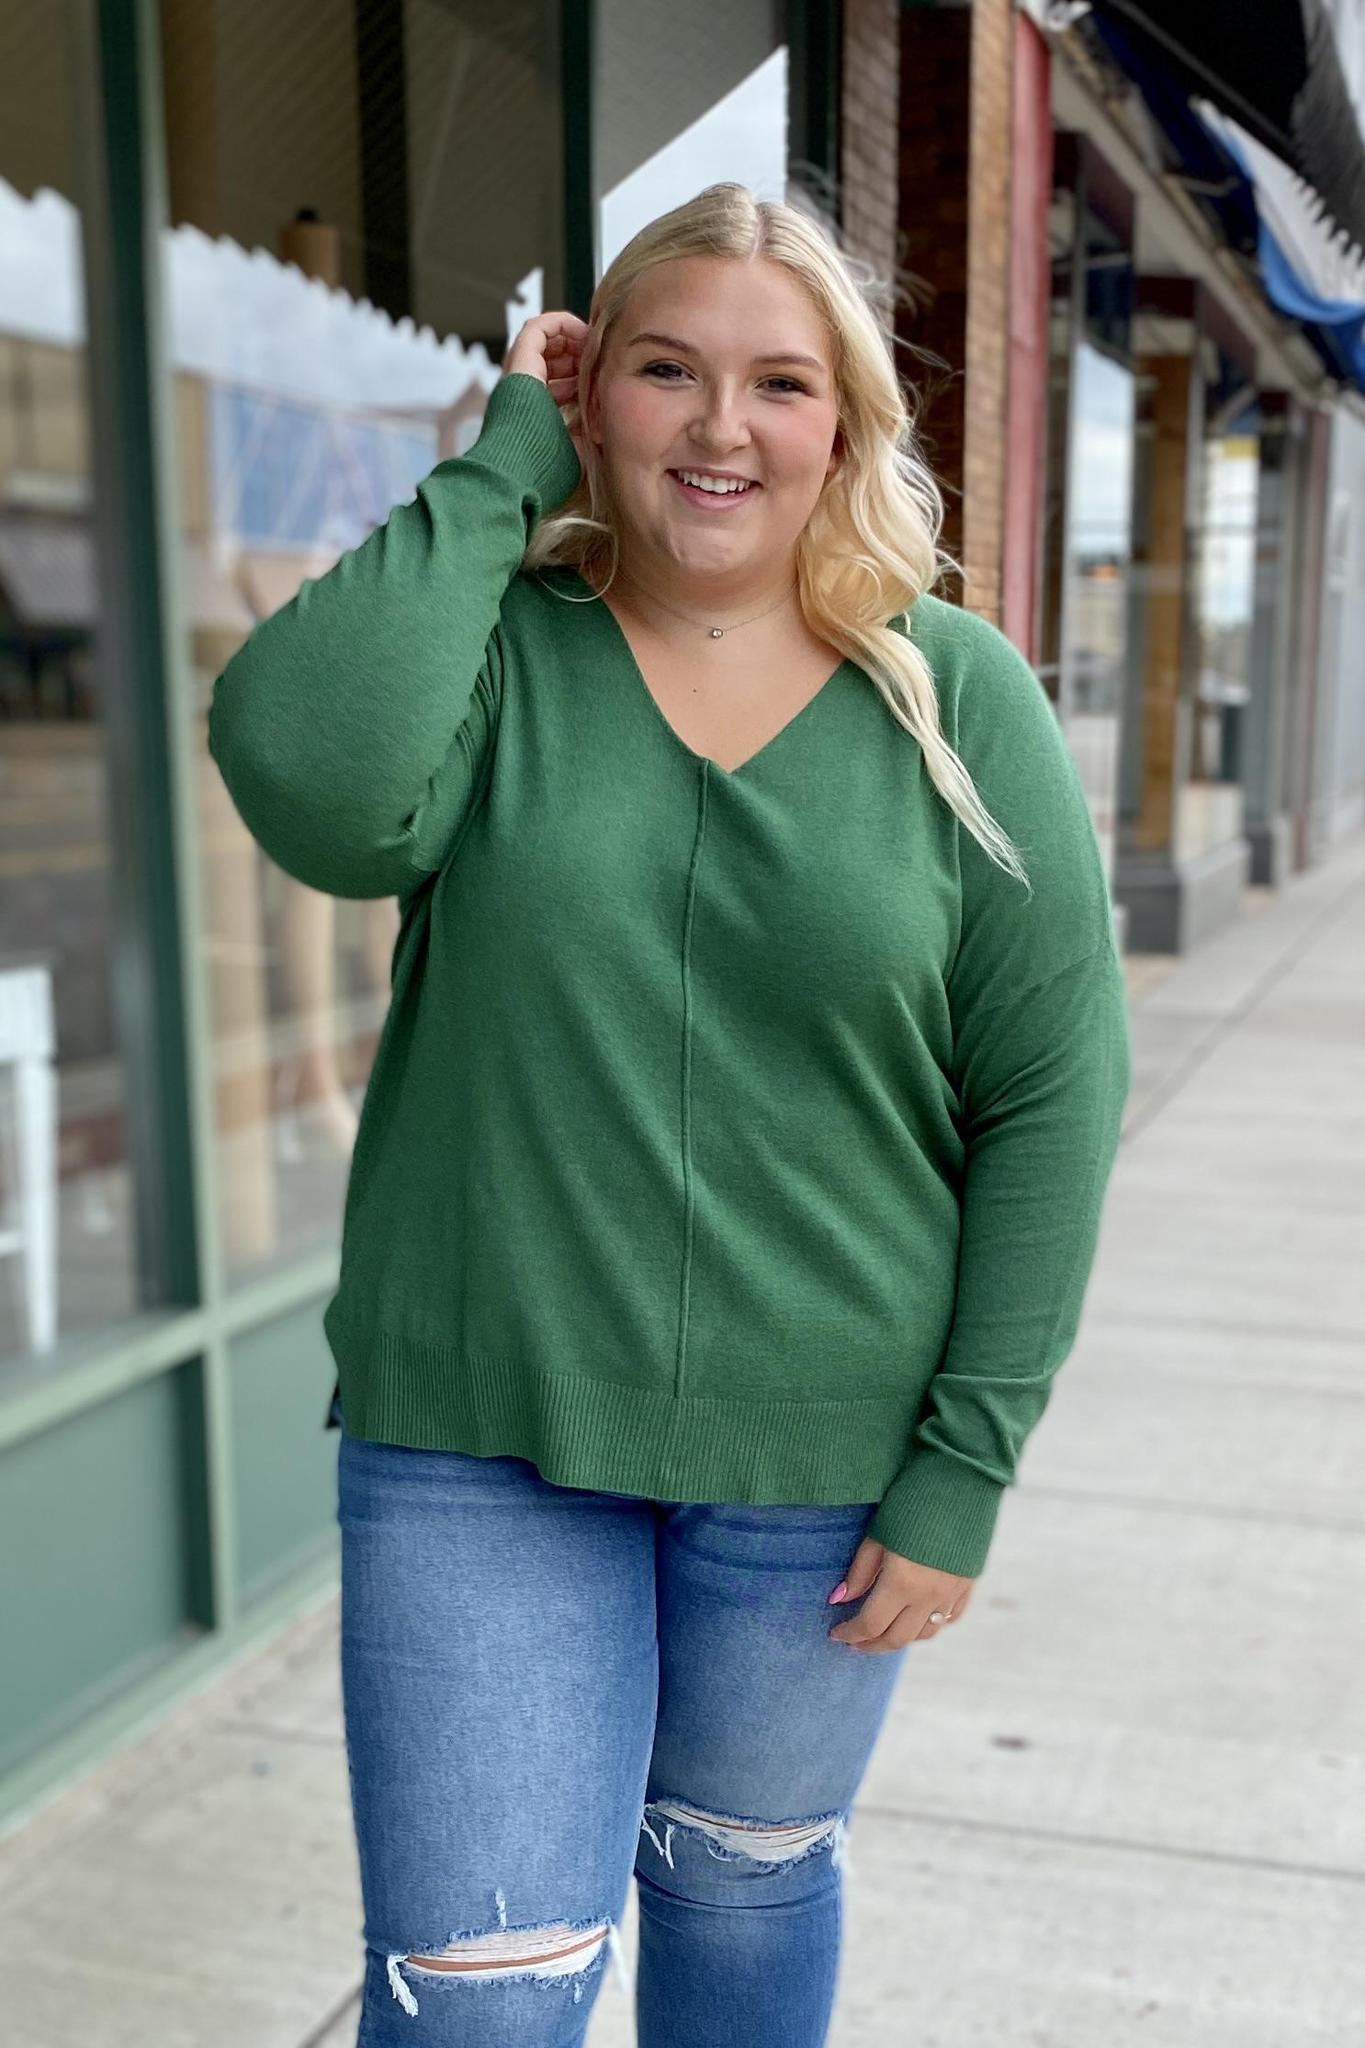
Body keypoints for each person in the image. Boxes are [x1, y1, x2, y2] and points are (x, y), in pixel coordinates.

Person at [207, 180, 1131, 2048]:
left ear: (845, 425)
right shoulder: (493, 654)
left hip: (822, 1471)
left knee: (740, 1886)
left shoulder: (956, 698)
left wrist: (964, 1465)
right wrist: (491, 478)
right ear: (590, 395)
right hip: (481, 1436)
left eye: (780, 383)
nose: (722, 428)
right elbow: (308, 782)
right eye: (664, 370)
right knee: (482, 2005)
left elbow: (1050, 1095)